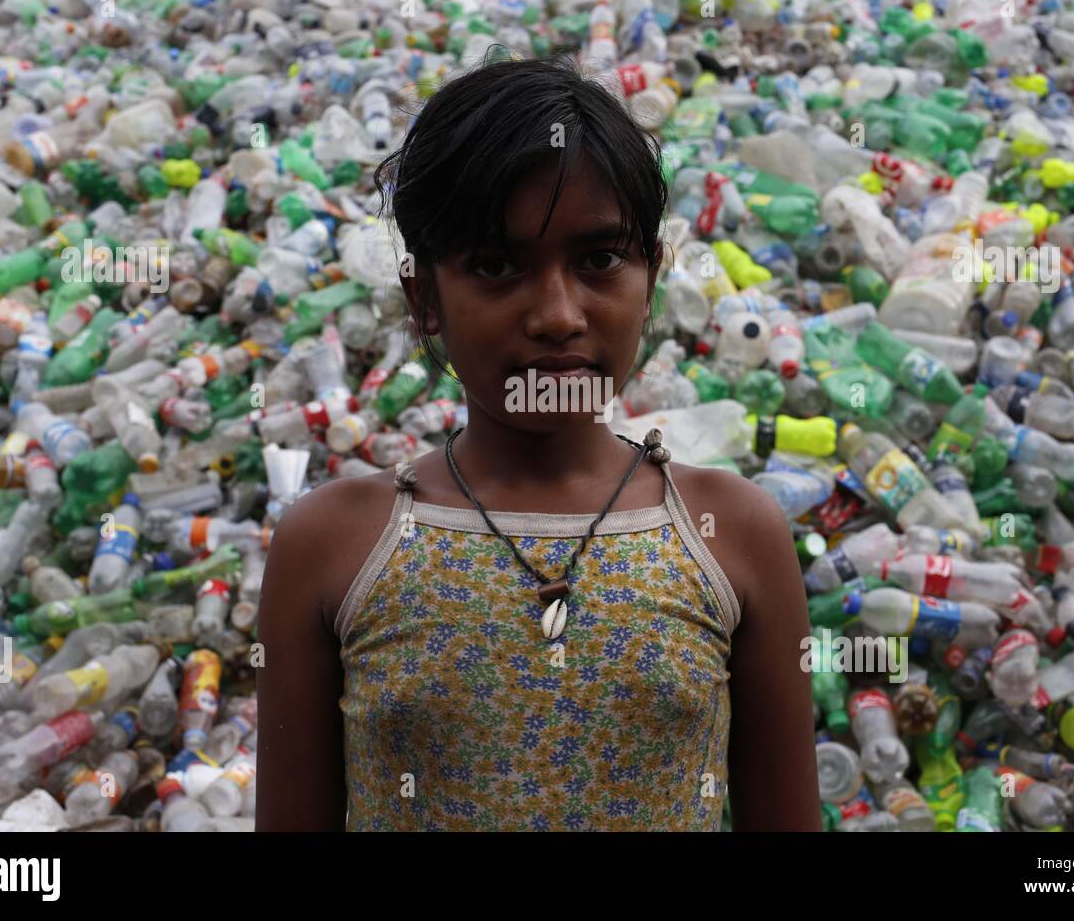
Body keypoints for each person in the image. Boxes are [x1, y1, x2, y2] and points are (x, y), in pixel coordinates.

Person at [257, 55, 819, 831]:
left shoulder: (735, 535)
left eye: (598, 260)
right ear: (424, 297)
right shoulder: (334, 545)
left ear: (651, 275)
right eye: (494, 265)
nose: (557, 314)